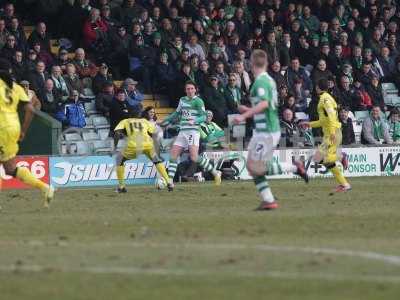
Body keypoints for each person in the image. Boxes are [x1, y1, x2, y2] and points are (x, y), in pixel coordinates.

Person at [233, 50, 308, 210]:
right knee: (252, 167)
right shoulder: (269, 80)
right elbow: (264, 106)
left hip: (266, 130)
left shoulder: (260, 82)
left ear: (252, 64)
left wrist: (245, 114)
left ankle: (293, 169)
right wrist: (247, 108)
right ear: (266, 63)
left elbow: (265, 104)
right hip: (263, 129)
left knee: (256, 167)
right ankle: (269, 199)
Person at [0, 59, 54, 208]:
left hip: (1, 129)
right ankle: (45, 188)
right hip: (13, 128)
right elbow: (30, 110)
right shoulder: (16, 87)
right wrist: (23, 130)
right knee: (10, 169)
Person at [160, 81, 222, 187]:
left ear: (195, 89)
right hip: (183, 131)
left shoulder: (198, 101)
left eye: (191, 88)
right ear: (185, 90)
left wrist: (195, 121)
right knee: (173, 155)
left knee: (194, 157)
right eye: (188, 89)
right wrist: (164, 121)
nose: (189, 90)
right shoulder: (182, 100)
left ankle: (215, 173)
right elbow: (176, 113)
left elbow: (203, 116)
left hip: (193, 132)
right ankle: (170, 181)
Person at [300, 78, 351, 193]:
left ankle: (341, 156)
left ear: (318, 87)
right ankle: (345, 184)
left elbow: (332, 116)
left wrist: (332, 132)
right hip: (331, 133)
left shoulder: (325, 99)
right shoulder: (327, 98)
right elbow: (324, 120)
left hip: (333, 134)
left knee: (319, 158)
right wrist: (309, 124)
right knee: (327, 161)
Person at [113, 110, 172, 193]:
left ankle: (122, 186)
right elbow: (153, 133)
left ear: (129, 114)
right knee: (157, 161)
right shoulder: (144, 121)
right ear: (139, 115)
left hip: (134, 145)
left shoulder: (125, 121)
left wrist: (115, 146)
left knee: (119, 160)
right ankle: (169, 182)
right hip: (148, 144)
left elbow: (117, 133)